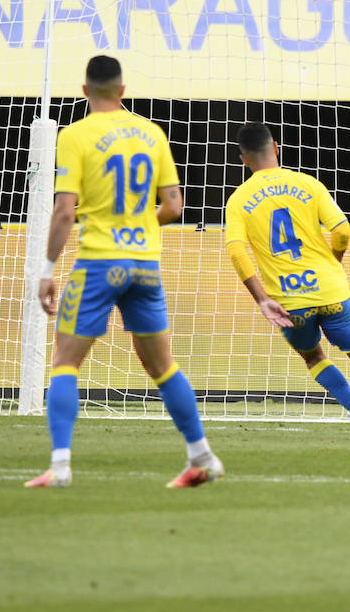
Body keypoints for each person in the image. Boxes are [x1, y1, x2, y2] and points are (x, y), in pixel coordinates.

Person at [30, 55, 221, 489]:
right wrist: (137, 226)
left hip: (100, 263)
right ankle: (202, 455)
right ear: (122, 90)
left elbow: (64, 212)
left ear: (84, 91)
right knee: (163, 366)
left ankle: (60, 468)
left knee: (65, 361)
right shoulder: (152, 134)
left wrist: (46, 270)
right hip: (146, 266)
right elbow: (174, 206)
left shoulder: (76, 135)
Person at [224, 123, 350, 439]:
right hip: (331, 290)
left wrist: (262, 298)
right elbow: (343, 231)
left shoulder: (239, 200)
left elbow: (237, 252)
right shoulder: (309, 184)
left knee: (314, 356)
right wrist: (333, 263)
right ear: (275, 147)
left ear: (243, 160)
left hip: (290, 302)